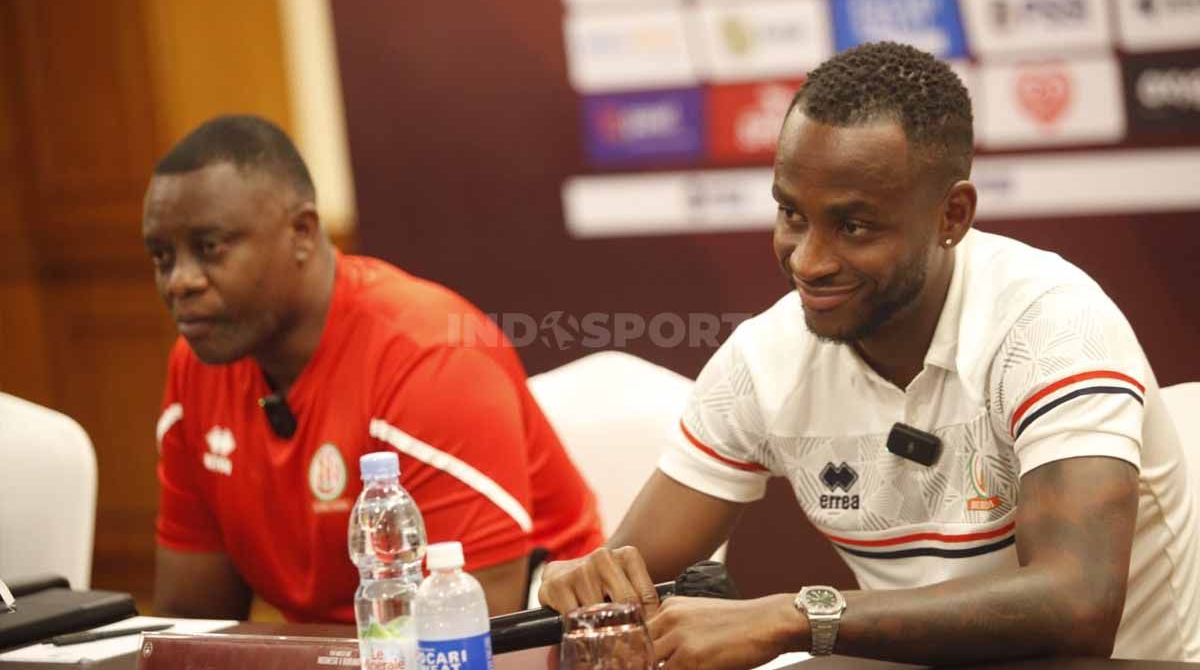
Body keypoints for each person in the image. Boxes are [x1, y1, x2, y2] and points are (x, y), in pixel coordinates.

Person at [537, 42, 1200, 666]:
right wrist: (584, 582)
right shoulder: (766, 359)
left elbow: (1077, 604)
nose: (808, 261)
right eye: (792, 214)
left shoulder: (1052, 322)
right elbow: (626, 577)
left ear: (952, 217)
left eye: (852, 226)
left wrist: (799, 617)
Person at [144, 115, 603, 622]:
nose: (179, 282)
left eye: (210, 248)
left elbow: (468, 633)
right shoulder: (196, 369)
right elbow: (191, 629)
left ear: (302, 232)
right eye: (162, 257)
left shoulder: (429, 358)